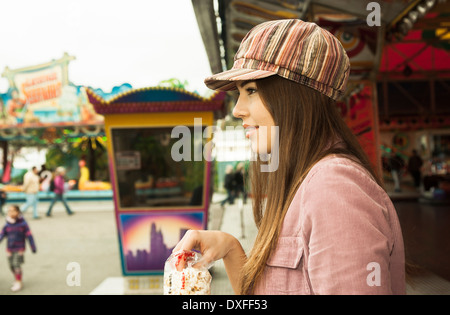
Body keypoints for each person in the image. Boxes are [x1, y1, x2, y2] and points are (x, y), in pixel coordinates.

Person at [173, 19, 405, 295]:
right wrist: (230, 249)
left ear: (295, 97)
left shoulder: (335, 188)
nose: (237, 110)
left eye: (251, 91)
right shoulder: (305, 181)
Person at [0, 204, 37, 292]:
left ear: (18, 212)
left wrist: (33, 247)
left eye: (13, 211)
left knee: (17, 265)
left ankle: (18, 282)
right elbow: (2, 234)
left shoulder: (23, 224)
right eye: (9, 211)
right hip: (10, 248)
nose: (10, 213)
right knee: (11, 265)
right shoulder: (7, 224)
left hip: (19, 248)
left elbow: (29, 235)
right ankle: (17, 278)